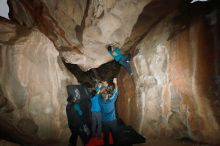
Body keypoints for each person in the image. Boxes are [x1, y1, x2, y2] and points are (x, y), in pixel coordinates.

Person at [99, 78, 119, 145]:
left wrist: (101, 87)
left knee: (106, 136)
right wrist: (115, 83)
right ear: (107, 95)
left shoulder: (100, 101)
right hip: (112, 121)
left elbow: (98, 94)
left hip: (104, 122)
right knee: (115, 135)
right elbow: (116, 92)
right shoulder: (111, 101)